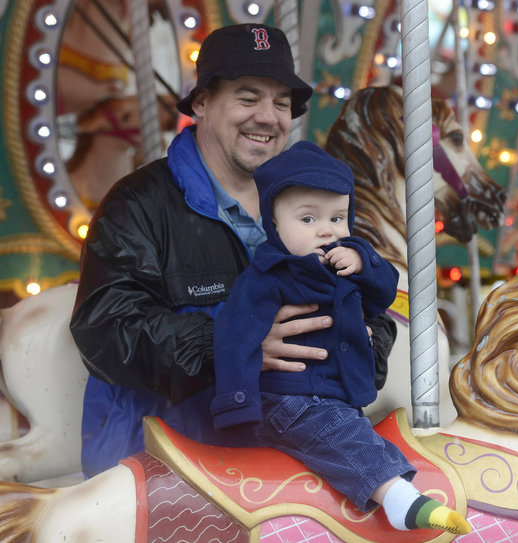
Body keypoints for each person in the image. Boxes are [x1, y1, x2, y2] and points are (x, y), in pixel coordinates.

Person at [69, 23, 397, 478]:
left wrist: (351, 345)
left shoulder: (310, 204)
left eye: (281, 102)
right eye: (248, 97)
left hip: (297, 446)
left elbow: (372, 306)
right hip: (172, 452)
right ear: (201, 102)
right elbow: (105, 327)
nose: (268, 116)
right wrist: (232, 344)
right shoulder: (138, 204)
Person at [212, 140, 469, 534]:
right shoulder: (267, 276)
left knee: (365, 435)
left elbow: (385, 292)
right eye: (308, 219)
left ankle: (396, 490)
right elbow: (234, 336)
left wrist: (364, 263)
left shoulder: (347, 257)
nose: (326, 230)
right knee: (339, 434)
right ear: (275, 226)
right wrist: (237, 406)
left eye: (337, 218)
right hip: (288, 398)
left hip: (331, 395)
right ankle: (399, 501)